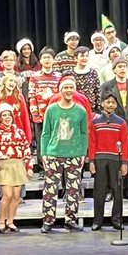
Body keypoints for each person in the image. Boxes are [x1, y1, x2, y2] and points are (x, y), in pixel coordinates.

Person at [39, 76, 89, 233]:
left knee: (73, 189)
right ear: (60, 90)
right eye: (66, 87)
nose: (68, 90)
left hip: (74, 154)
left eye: (71, 87)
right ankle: (48, 220)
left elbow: (83, 134)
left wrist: (82, 154)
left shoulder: (80, 111)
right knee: (50, 189)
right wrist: (44, 153)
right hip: (54, 154)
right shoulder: (52, 109)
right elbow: (45, 133)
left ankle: (71, 219)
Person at [0, 102, 34, 233]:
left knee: (16, 196)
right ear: (0, 117)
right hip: (5, 165)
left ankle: (10, 221)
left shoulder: (19, 131)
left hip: (17, 164)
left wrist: (29, 166)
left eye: (9, 115)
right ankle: (1, 221)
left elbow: (26, 148)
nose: (7, 117)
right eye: (4, 115)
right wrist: (0, 155)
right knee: (7, 195)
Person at [88, 93, 128, 232]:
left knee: (117, 190)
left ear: (116, 105)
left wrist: (124, 163)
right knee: (99, 191)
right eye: (107, 102)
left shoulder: (121, 122)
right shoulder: (95, 122)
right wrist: (91, 160)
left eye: (112, 102)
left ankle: (117, 220)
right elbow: (92, 143)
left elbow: (125, 143)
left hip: (115, 160)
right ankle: (97, 220)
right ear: (102, 104)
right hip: (100, 159)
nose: (110, 105)